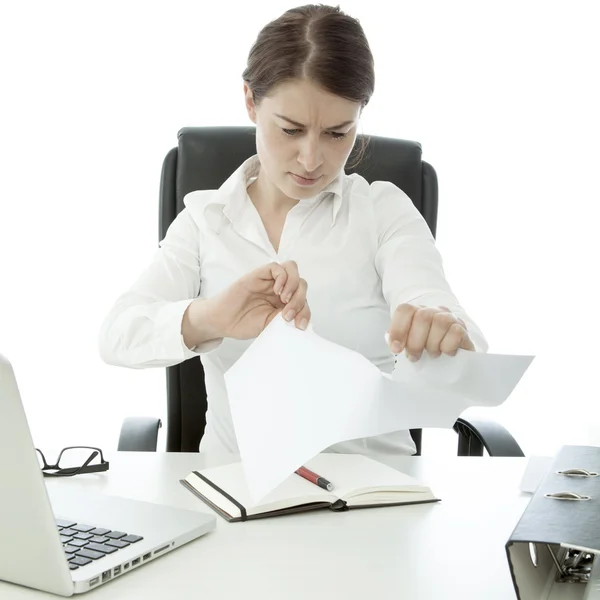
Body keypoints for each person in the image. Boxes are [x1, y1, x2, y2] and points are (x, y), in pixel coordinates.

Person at [98, 4, 487, 457]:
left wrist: (441, 328)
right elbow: (116, 335)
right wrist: (211, 316)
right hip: (236, 496)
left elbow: (437, 306)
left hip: (372, 502)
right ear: (250, 101)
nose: (310, 159)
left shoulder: (383, 211)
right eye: (291, 129)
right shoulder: (206, 220)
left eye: (338, 134)